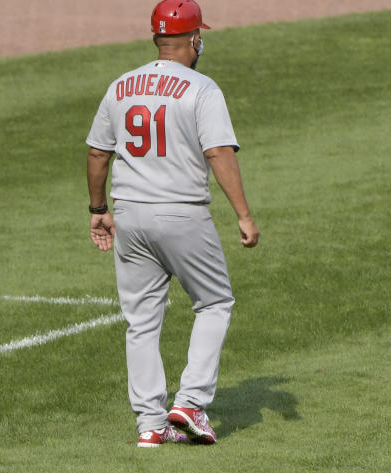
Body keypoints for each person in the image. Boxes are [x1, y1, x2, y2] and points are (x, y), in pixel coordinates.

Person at [85, 0, 259, 448]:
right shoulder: (202, 89)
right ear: (196, 38)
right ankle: (192, 402)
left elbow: (98, 153)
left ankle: (150, 423)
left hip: (130, 213)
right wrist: (243, 214)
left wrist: (97, 209)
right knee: (214, 302)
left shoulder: (121, 86)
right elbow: (218, 152)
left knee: (141, 321)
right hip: (181, 212)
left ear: (156, 37)